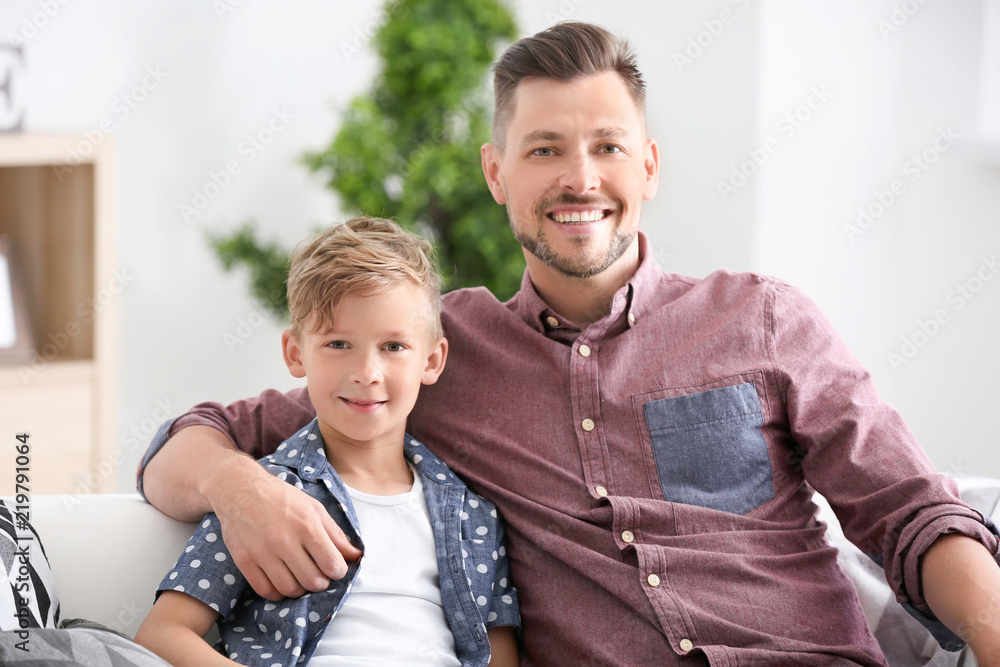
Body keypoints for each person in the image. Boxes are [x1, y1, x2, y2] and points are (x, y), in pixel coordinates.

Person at [138, 22, 1000, 666]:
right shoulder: (436, 353)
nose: (579, 178)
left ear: (650, 167)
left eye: (607, 147)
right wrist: (235, 487)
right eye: (544, 148)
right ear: (496, 174)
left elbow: (911, 510)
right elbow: (185, 440)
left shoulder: (763, 320)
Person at [133, 218, 520, 667]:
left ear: (431, 361)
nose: (366, 372)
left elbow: (498, 653)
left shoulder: (474, 516)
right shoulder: (262, 497)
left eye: (393, 346)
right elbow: (161, 636)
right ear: (296, 353)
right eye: (339, 344)